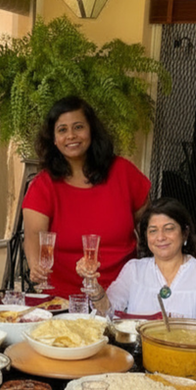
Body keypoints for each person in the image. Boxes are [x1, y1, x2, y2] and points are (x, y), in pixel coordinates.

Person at [22, 96, 150, 296]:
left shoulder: (123, 172)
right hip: (65, 299)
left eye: (78, 127)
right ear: (54, 139)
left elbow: (147, 220)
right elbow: (34, 237)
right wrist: (36, 268)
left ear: (92, 130)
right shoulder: (43, 185)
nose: (71, 135)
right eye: (62, 130)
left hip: (124, 295)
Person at [85, 198, 196, 325]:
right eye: (153, 231)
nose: (160, 237)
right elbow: (107, 315)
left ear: (185, 233)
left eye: (169, 229)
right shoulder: (134, 270)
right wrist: (94, 287)